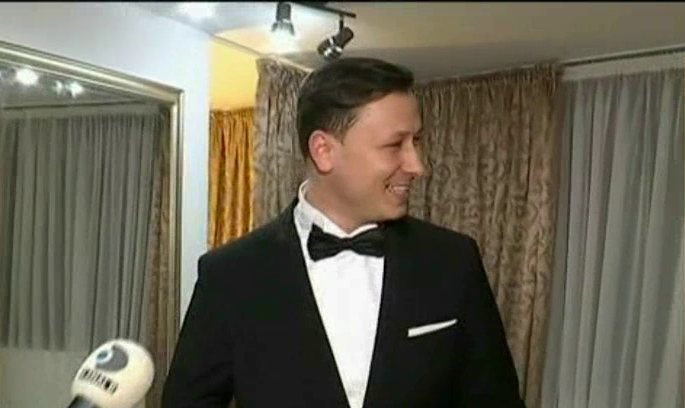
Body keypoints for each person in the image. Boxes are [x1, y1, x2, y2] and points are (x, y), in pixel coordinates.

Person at [162, 57, 526, 408]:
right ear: (324, 151)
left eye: (416, 141)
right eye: (395, 145)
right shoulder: (230, 275)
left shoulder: (453, 261)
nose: (417, 165)